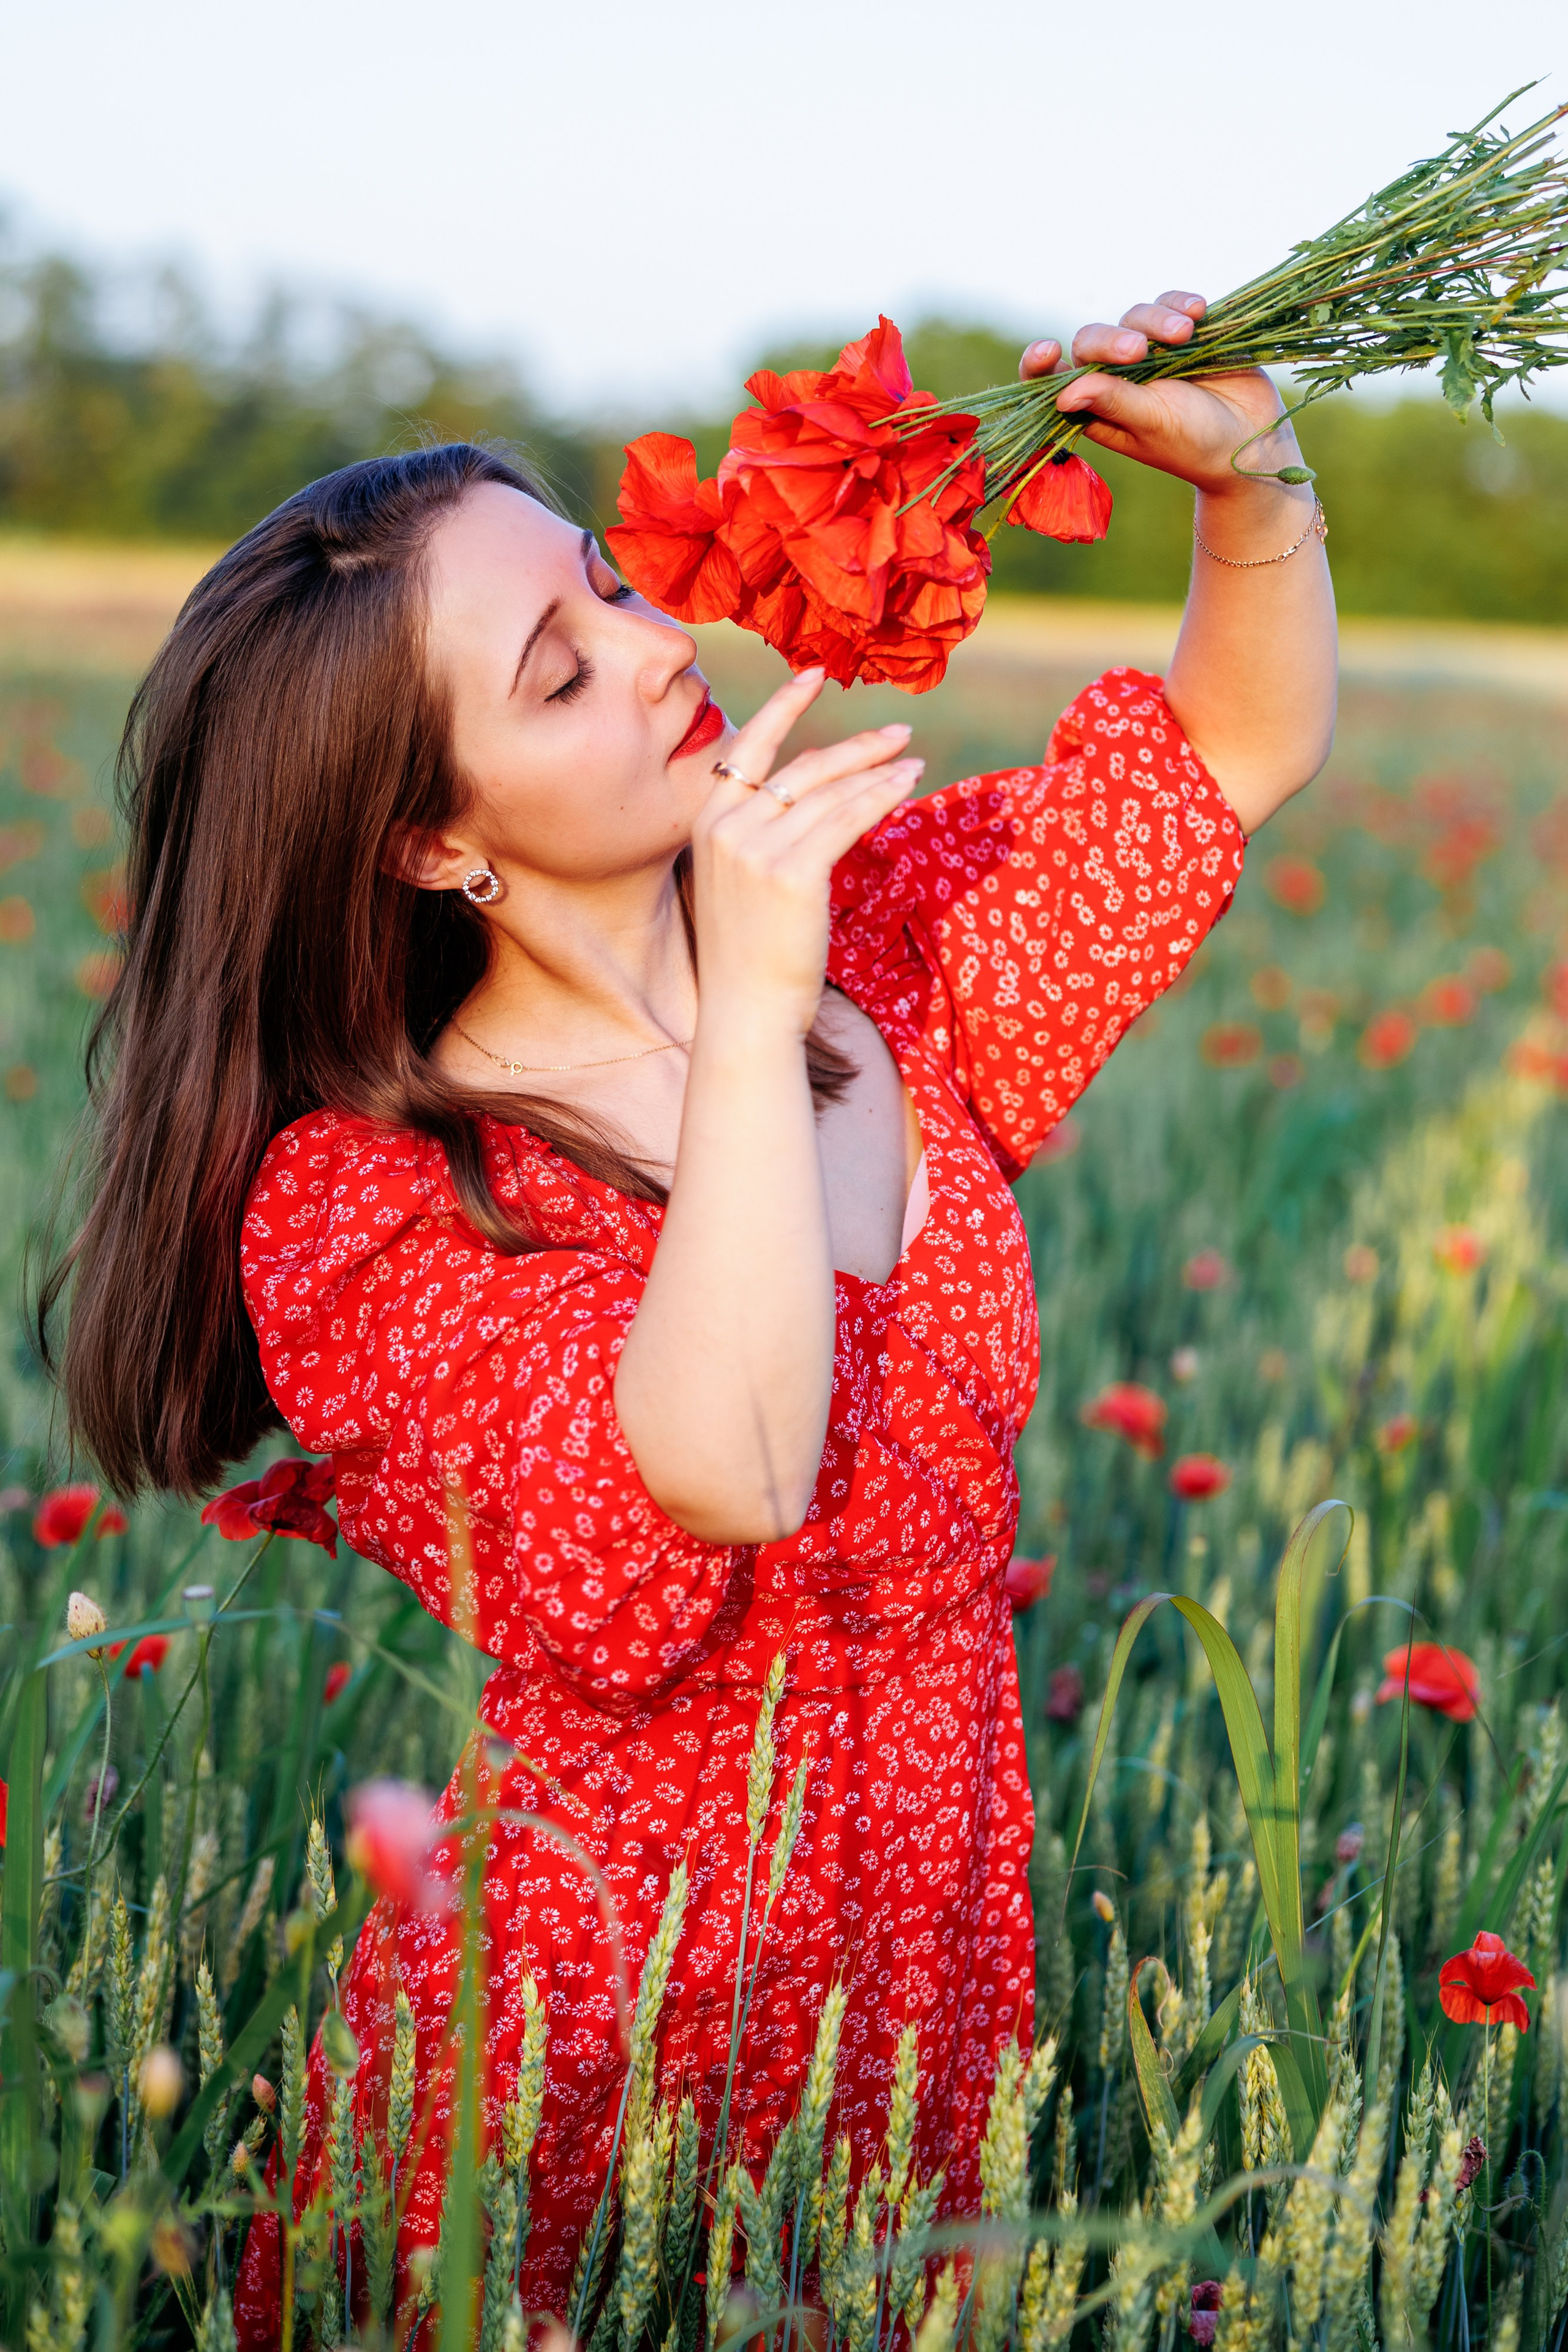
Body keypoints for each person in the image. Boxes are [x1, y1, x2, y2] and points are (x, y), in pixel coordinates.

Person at [52, 291, 1335, 2340]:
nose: (661, 650)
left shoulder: (884, 964)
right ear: (432, 839)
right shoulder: (376, 1206)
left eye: (609, 586)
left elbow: (1227, 754)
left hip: (927, 1975)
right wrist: (749, 1008)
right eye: (561, 673)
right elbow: (727, 1470)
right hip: (601, 2045)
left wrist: (1248, 467)